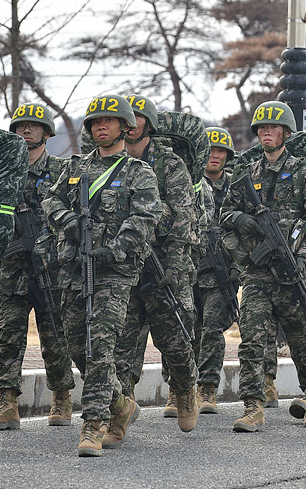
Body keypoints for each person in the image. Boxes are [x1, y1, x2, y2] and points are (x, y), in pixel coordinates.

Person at [42, 94, 161, 457]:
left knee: (99, 348)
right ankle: (121, 404)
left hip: (112, 274)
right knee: (76, 345)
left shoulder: (138, 172)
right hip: (73, 268)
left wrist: (114, 248)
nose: (100, 127)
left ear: (125, 127)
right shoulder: (74, 167)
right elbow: (51, 200)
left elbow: (143, 218)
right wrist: (70, 223)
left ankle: (93, 426)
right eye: (94, 123)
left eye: (107, 122)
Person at [220, 100, 306, 431]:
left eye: (273, 127)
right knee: (252, 341)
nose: (267, 132)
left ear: (285, 132)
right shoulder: (247, 176)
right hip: (257, 275)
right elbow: (225, 216)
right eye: (262, 128)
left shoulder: (303, 172)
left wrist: (303, 257)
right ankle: (253, 407)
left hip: (294, 272)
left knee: (304, 340)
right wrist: (243, 221)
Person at [0, 103, 76, 431]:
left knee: (55, 337)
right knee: (10, 337)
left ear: (47, 133)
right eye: (21, 126)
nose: (27, 130)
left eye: (34, 126)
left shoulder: (63, 171)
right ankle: (7, 404)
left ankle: (61, 397)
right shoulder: (2, 171)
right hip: (12, 270)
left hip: (51, 271)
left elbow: (73, 216)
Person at [112, 94, 200, 430]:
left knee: (174, 339)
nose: (131, 124)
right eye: (126, 118)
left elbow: (182, 219)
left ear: (148, 124)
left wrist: (175, 267)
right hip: (124, 266)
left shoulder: (169, 164)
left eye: (137, 119)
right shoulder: (111, 163)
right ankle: (119, 411)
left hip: (164, 263)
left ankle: (184, 389)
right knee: (121, 343)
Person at [192, 126, 237, 413]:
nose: (215, 156)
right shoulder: (189, 183)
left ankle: (207, 389)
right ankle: (179, 388)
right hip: (188, 269)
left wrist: (238, 266)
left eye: (220, 150)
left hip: (221, 273)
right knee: (186, 330)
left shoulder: (238, 186)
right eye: (210, 150)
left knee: (211, 329)